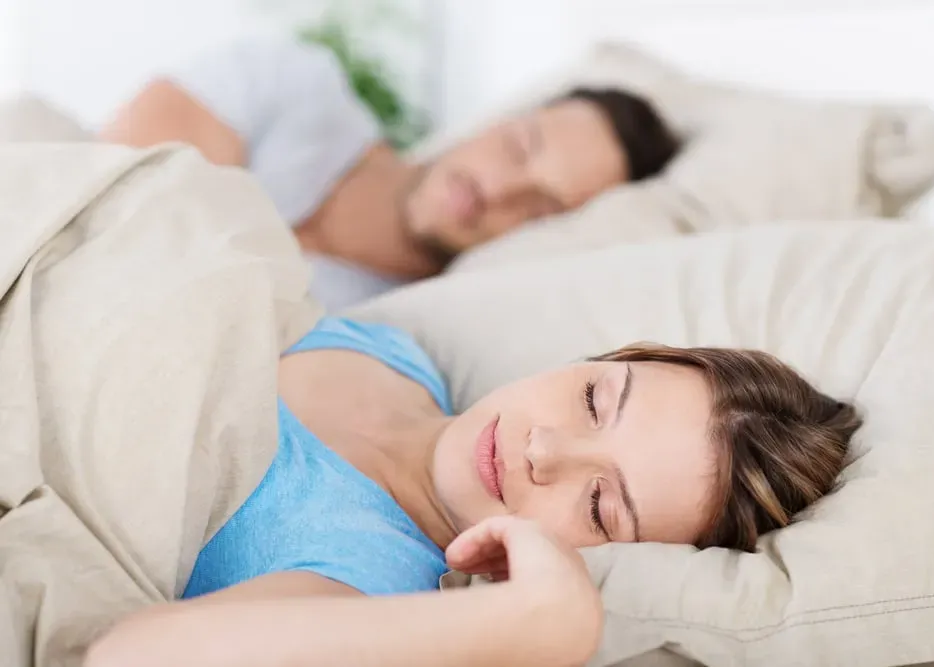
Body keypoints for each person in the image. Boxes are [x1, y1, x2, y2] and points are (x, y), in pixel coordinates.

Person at [84, 316, 862, 667]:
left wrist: (536, 624)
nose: (545, 450)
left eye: (600, 504)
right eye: (594, 399)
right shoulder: (392, 347)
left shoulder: (368, 576)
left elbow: (129, 655)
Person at [100, 38, 682, 312]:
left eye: (539, 209)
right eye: (518, 148)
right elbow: (112, 192)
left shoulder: (390, 325)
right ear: (496, 120)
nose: (498, 190)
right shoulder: (297, 80)